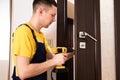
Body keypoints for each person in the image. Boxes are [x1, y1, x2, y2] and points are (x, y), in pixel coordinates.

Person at [12, 0, 75, 80]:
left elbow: (53, 57)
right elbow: (23, 72)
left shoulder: (41, 35)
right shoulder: (23, 32)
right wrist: (54, 61)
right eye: (52, 15)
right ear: (41, 11)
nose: (54, 20)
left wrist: (74, 52)